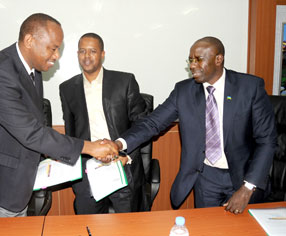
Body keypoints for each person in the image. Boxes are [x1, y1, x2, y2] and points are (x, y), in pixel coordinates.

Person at [0, 13, 117, 219]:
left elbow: (33, 125)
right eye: (52, 49)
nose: (56, 56)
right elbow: (31, 133)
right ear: (30, 41)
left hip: (14, 182)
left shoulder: (34, 72)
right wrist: (90, 147)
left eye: (58, 50)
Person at [111, 36, 277, 214]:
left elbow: (266, 140)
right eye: (190, 60)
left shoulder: (250, 88)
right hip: (206, 178)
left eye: (198, 59)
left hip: (243, 176)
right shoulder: (184, 91)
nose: (192, 66)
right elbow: (152, 123)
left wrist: (247, 188)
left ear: (218, 59)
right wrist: (120, 144)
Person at [59, 33, 148, 214]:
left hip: (121, 164)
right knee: (88, 225)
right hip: (88, 170)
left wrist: (125, 155)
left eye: (92, 51)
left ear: (102, 54)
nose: (87, 56)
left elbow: (141, 126)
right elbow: (71, 133)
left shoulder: (124, 82)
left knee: (128, 228)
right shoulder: (67, 88)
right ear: (77, 55)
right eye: (82, 51)